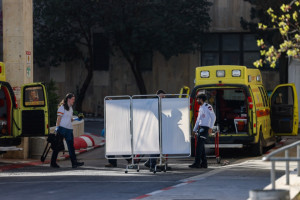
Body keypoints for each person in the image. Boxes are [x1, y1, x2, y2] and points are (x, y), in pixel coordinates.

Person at [50, 93, 84, 168]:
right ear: (68, 99)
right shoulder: (62, 107)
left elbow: (70, 119)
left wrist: (77, 119)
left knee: (71, 147)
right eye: (72, 99)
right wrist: (57, 127)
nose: (73, 101)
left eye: (74, 99)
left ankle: (74, 163)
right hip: (62, 129)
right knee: (57, 146)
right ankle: (53, 163)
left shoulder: (70, 108)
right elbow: (59, 118)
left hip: (69, 130)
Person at [189, 93, 216, 169]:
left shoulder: (208, 107)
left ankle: (197, 163)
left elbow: (213, 117)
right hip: (201, 128)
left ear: (201, 99)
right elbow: (198, 120)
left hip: (205, 128)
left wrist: (211, 127)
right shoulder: (201, 108)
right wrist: (194, 129)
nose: (197, 100)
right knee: (201, 147)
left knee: (199, 147)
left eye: (198, 99)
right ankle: (204, 164)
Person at [144, 89, 166, 171]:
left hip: (154, 127)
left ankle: (149, 162)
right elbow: (156, 114)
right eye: (163, 96)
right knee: (156, 147)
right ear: (159, 94)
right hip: (154, 128)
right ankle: (152, 165)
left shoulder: (154, 102)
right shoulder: (155, 102)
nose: (164, 98)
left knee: (157, 147)